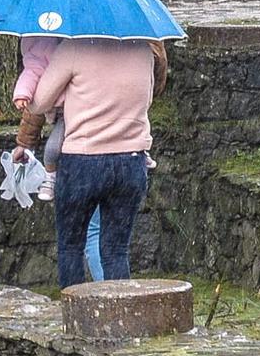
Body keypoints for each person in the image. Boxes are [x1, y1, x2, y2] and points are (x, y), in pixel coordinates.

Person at [16, 37, 165, 288]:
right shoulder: (143, 49)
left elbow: (40, 102)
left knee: (71, 247)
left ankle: (76, 318)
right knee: (117, 250)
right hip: (131, 160)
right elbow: (148, 97)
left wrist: (33, 80)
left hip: (82, 161)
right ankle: (120, 315)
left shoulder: (73, 49)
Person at [15, 36, 104, 282]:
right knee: (105, 236)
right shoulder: (114, 40)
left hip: (77, 147)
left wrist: (25, 141)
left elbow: (39, 96)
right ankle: (113, 295)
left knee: (76, 238)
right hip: (119, 145)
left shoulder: (61, 45)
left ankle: (91, 298)